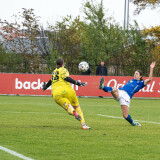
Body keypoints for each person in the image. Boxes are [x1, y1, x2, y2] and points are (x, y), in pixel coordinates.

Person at [99, 62, 156, 126]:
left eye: (137, 74)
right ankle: (103, 87)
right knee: (114, 89)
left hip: (126, 97)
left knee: (125, 116)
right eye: (134, 73)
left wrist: (151, 68)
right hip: (120, 92)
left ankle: (133, 123)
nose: (135, 75)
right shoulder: (131, 80)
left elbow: (150, 79)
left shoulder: (141, 83)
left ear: (140, 76)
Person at [42, 58, 91, 129]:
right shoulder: (63, 69)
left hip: (56, 94)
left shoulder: (54, 72)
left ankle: (73, 112)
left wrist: (45, 87)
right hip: (68, 90)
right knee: (77, 107)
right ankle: (83, 125)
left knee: (69, 108)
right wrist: (77, 83)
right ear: (63, 64)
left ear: (56, 65)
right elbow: (66, 78)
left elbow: (50, 81)